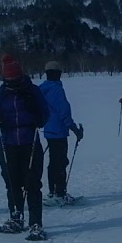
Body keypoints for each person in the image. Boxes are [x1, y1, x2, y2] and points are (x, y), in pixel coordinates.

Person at [0, 54, 50, 240]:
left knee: (32, 184)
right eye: (9, 79)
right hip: (8, 144)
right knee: (12, 184)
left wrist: (38, 119)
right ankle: (16, 217)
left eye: (15, 79)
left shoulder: (32, 91)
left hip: (30, 142)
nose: (13, 82)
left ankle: (35, 222)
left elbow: (45, 113)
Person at [39, 60, 84, 205]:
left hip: (48, 130)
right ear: (58, 74)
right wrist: (74, 128)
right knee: (60, 162)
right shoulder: (57, 89)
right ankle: (59, 193)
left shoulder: (41, 89)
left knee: (53, 162)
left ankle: (53, 191)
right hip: (59, 131)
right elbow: (64, 111)